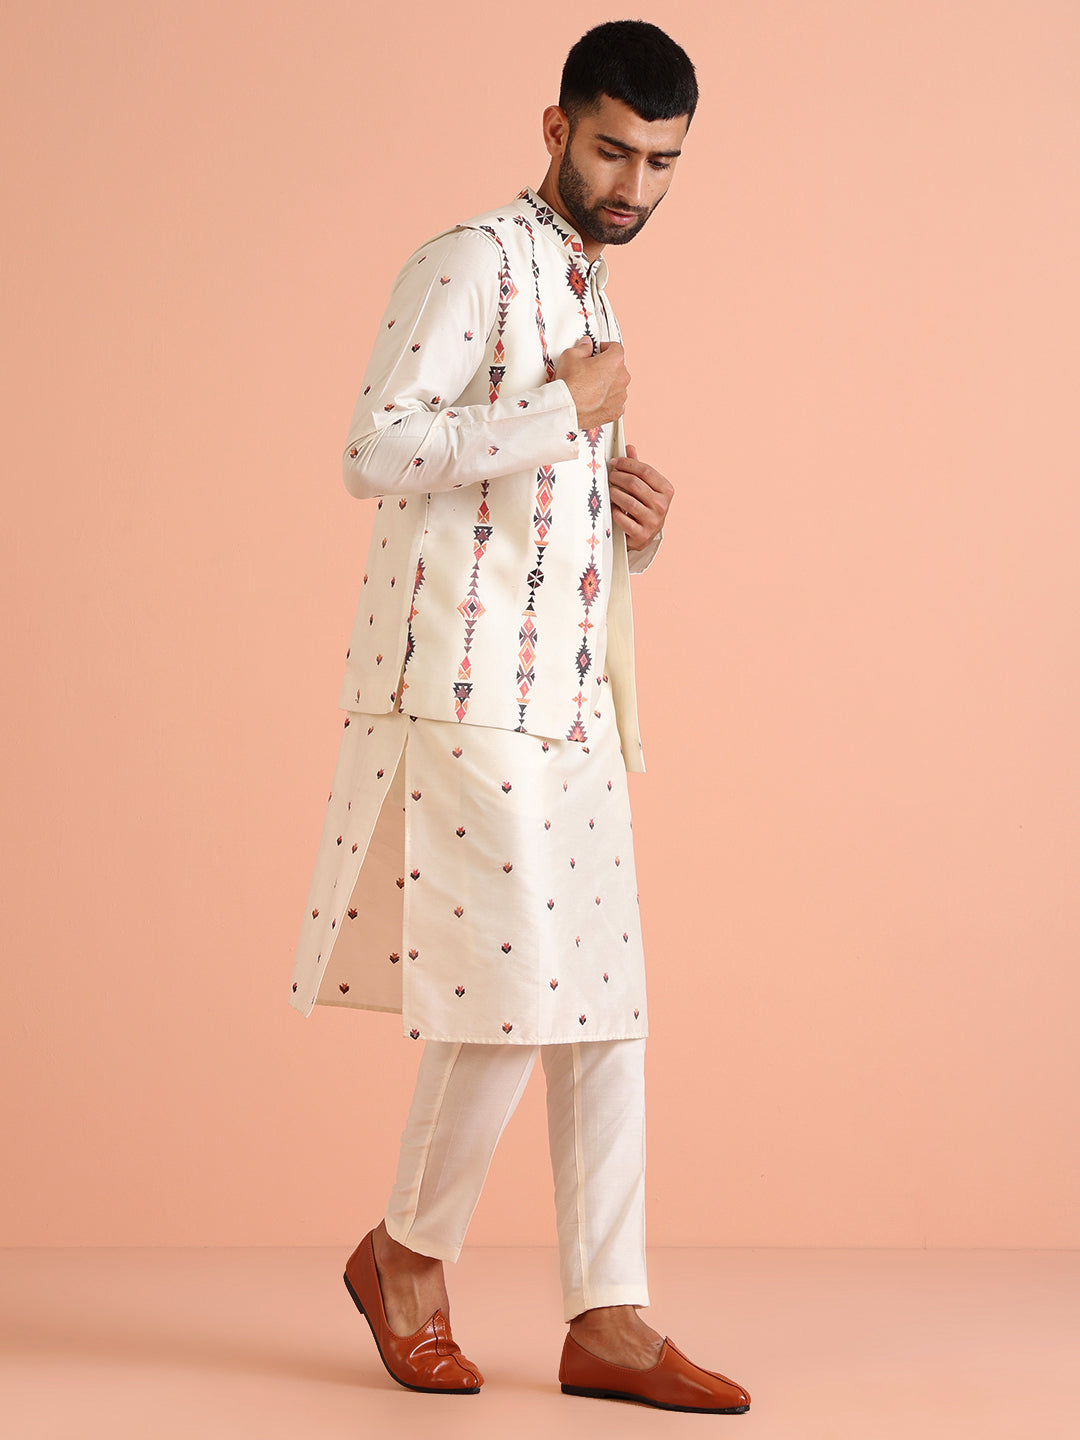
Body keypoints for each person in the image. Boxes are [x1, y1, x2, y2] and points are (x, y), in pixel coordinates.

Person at [289, 19, 751, 1415]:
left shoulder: (590, 286)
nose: (633, 185)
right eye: (612, 150)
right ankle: (406, 1259)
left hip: (570, 702)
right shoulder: (470, 262)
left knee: (606, 1006)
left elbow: (529, 512)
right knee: (509, 994)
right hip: (464, 690)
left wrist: (634, 535)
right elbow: (375, 447)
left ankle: (609, 1315)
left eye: (661, 162)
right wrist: (561, 412)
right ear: (555, 129)